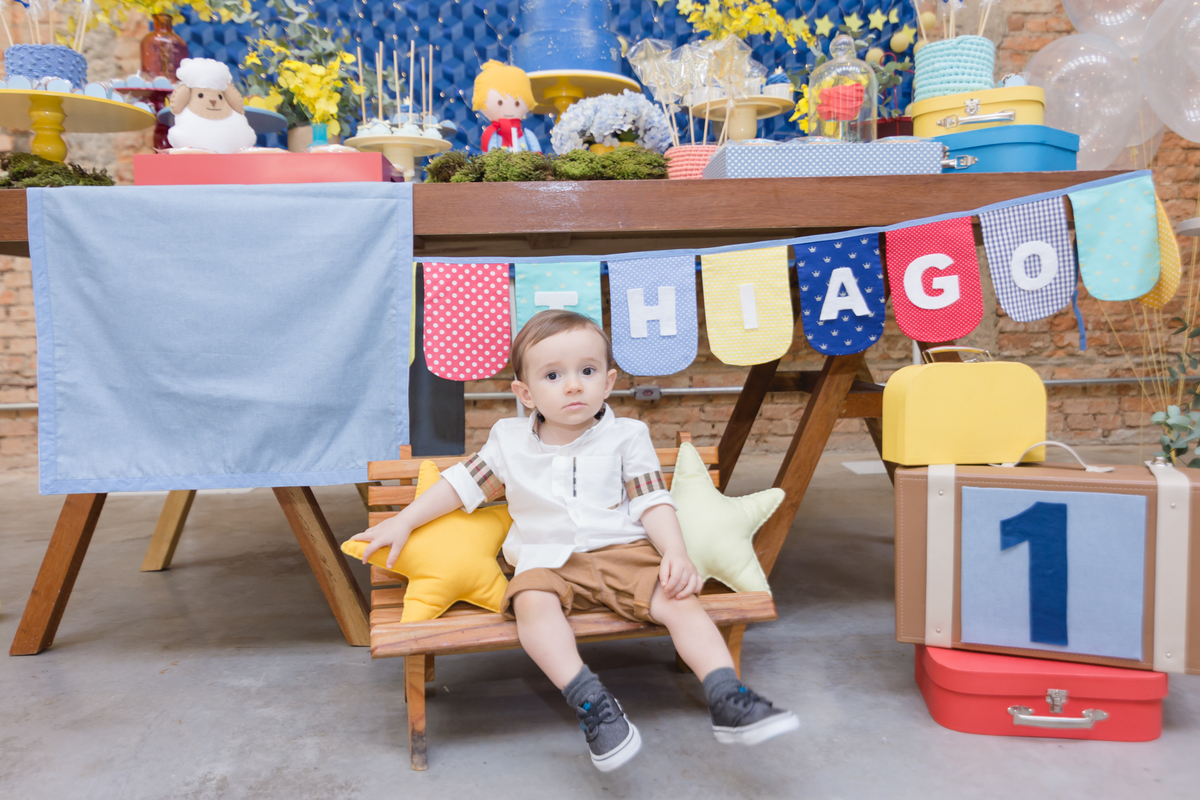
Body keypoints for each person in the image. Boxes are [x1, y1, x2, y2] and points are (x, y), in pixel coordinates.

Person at [350, 310, 798, 772]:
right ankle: (594, 705)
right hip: (546, 560)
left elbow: (651, 501)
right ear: (525, 393)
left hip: (623, 550)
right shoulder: (508, 441)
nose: (573, 386)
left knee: (679, 598)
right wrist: (403, 521)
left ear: (608, 382)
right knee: (529, 603)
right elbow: (461, 485)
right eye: (552, 375)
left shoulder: (627, 436)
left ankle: (727, 695)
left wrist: (676, 553)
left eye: (587, 371)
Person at [472, 60, 543, 153]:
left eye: (517, 103)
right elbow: (488, 155)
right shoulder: (492, 135)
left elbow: (537, 154)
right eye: (500, 102)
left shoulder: (526, 135)